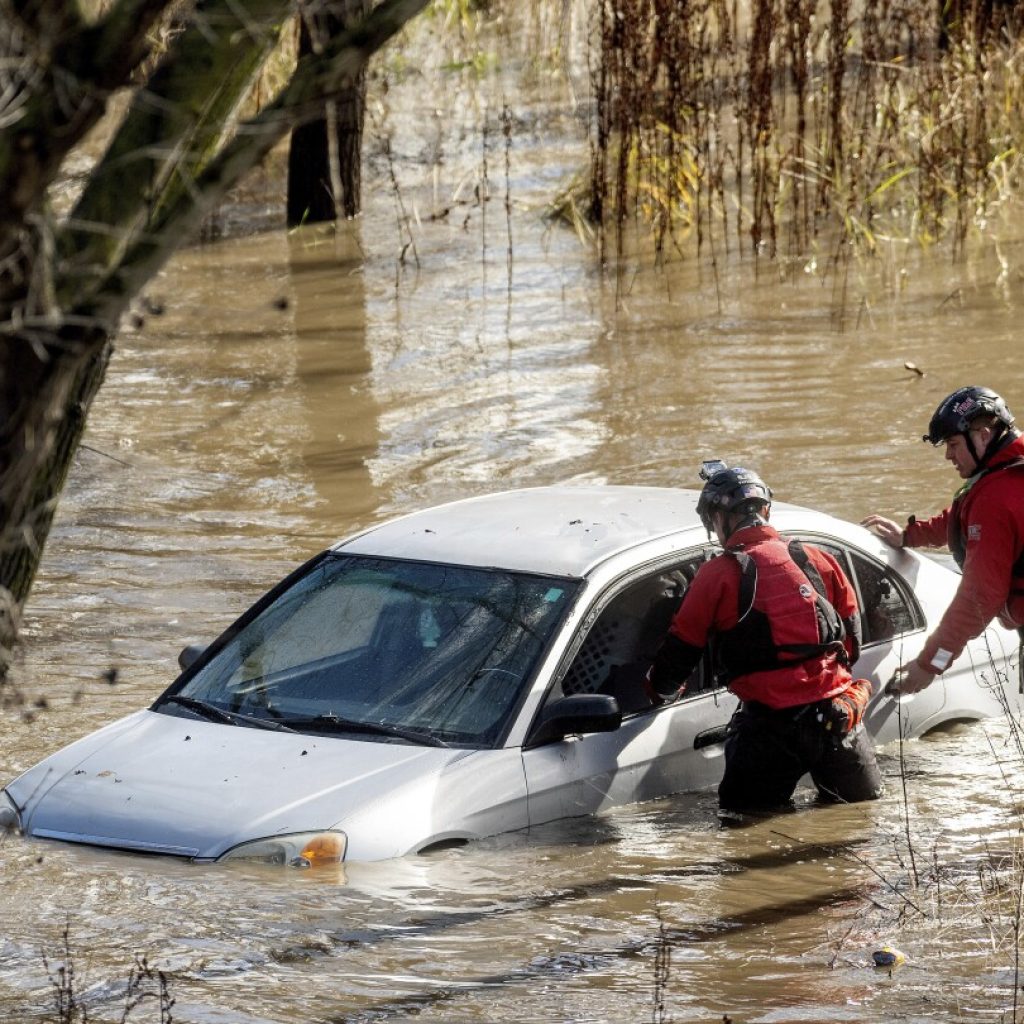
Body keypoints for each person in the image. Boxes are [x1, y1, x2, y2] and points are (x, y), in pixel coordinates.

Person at [646, 461, 883, 812]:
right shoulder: (817, 558)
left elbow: (681, 650)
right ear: (766, 510)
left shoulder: (718, 575)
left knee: (744, 831)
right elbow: (852, 642)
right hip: (836, 718)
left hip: (769, 730)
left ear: (718, 520)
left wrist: (657, 691)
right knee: (861, 821)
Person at [861, 385, 1024, 695]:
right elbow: (965, 517)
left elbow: (979, 596)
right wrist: (910, 535)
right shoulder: (1007, 473)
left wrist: (929, 664)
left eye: (952, 444)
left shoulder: (996, 498)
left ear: (984, 435)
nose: (948, 455)